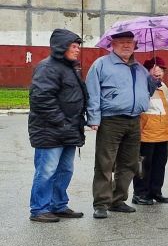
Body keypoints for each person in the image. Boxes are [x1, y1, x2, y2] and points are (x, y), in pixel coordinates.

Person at [85, 30, 152, 219]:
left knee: (129, 163)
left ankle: (118, 199)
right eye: (121, 42)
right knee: (105, 163)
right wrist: (94, 118)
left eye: (130, 42)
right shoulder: (101, 65)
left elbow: (148, 90)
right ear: (112, 45)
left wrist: (154, 78)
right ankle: (101, 203)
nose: (126, 45)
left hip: (134, 120)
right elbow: (93, 93)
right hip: (110, 120)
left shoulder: (140, 69)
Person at [27, 29, 87, 223]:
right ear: (62, 46)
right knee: (46, 171)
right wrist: (62, 122)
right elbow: (41, 99)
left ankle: (58, 205)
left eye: (79, 46)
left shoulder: (71, 68)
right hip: (50, 131)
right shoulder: (48, 67)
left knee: (65, 170)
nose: (78, 50)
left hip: (68, 130)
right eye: (74, 46)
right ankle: (39, 209)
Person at [132, 57, 168, 205]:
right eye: (155, 68)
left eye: (161, 69)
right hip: (146, 132)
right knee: (143, 164)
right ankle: (140, 193)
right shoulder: (141, 84)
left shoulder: (164, 87)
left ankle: (156, 191)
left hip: (162, 132)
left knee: (159, 163)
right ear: (147, 70)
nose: (159, 72)